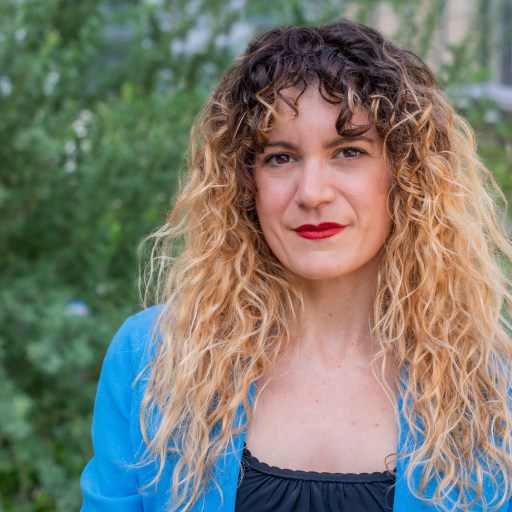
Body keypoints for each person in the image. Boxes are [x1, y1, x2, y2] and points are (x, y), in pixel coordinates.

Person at [80, 19, 512, 512]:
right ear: (245, 185)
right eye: (280, 158)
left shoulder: (493, 392)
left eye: (349, 151)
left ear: (407, 176)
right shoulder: (152, 364)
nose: (311, 193)